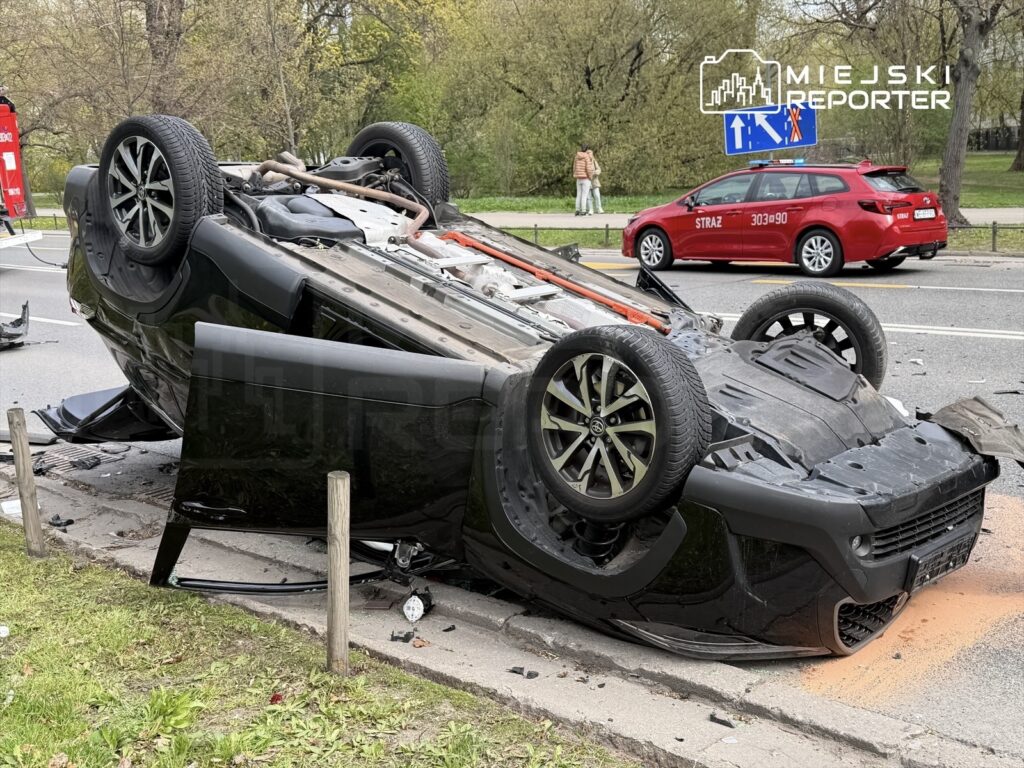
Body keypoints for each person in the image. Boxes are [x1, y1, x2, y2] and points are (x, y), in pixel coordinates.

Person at [572, 143, 594, 216]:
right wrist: (590, 177)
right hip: (586, 178)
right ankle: (583, 210)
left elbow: (574, 167)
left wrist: (575, 174)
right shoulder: (587, 157)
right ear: (587, 149)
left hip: (578, 178)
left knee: (578, 195)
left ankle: (577, 210)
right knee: (584, 195)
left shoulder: (577, 156)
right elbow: (588, 168)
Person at [587, 149, 604, 214]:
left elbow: (599, 169)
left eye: (590, 154)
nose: (590, 156)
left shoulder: (594, 162)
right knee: (589, 197)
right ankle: (590, 209)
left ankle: (599, 208)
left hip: (595, 181)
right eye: (588, 155)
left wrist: (595, 172)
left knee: (597, 195)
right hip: (588, 181)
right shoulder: (585, 162)